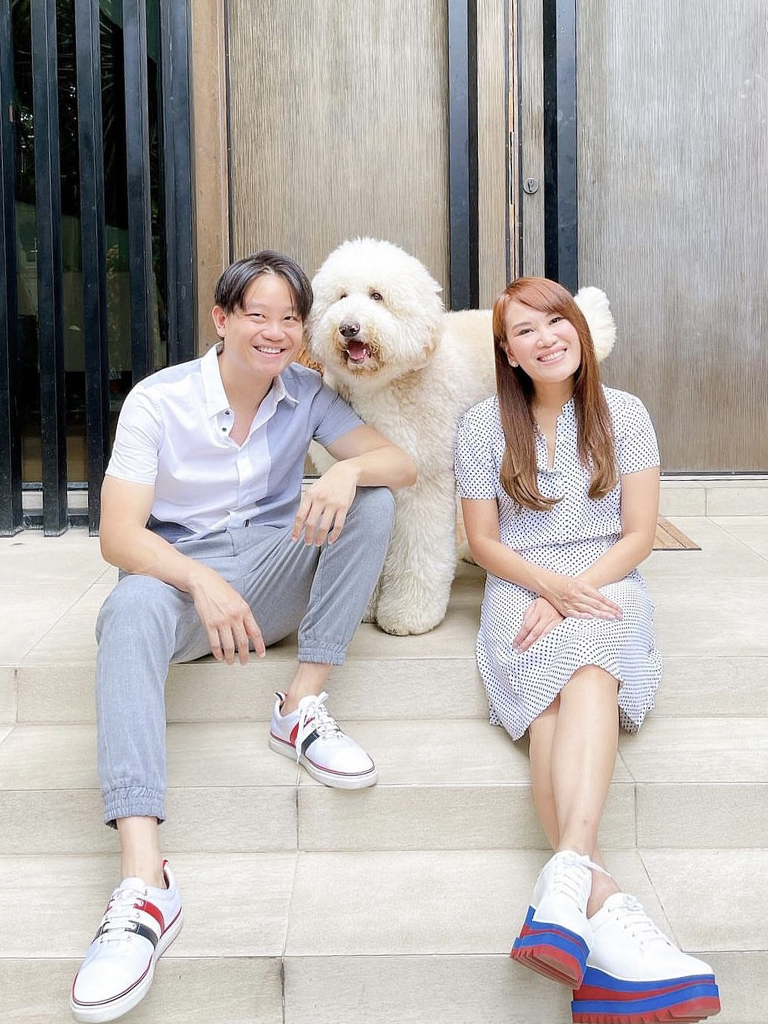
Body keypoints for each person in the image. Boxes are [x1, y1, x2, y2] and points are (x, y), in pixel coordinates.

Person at [70, 251, 416, 1023]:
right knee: (127, 612)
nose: (277, 332)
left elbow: (402, 464)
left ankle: (299, 705)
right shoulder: (158, 402)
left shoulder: (308, 393)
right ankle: (143, 884)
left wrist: (342, 474)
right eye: (258, 314)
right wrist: (199, 579)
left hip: (270, 574)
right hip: (181, 583)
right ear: (222, 321)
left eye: (291, 318)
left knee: (373, 500)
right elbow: (119, 536)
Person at [454, 277, 720, 1023]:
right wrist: (546, 587)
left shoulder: (623, 413)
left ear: (578, 328)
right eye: (525, 331)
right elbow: (481, 542)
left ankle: (567, 869)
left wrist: (573, 591)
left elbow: (639, 534)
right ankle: (596, 896)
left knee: (592, 658)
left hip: (608, 578)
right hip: (521, 585)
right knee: (550, 702)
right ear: (507, 352)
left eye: (555, 321)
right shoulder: (482, 426)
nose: (546, 338)